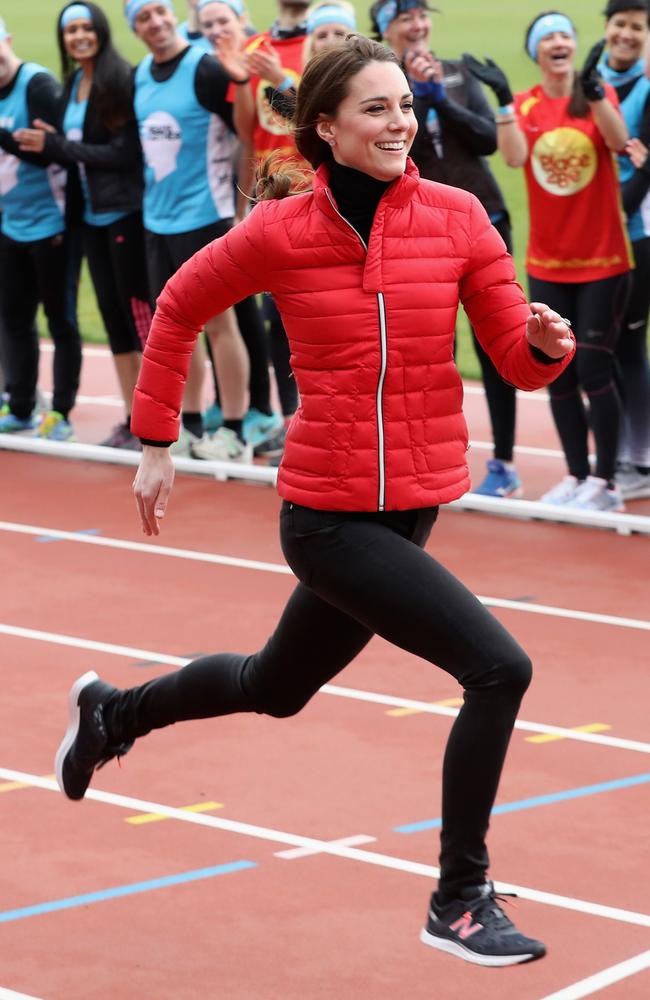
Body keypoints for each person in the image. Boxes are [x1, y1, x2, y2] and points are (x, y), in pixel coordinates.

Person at [56, 36, 575, 967]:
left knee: (275, 687)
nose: (400, 123)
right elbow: (175, 308)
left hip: (411, 506)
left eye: (405, 106)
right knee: (501, 670)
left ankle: (112, 713)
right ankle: (459, 899)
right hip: (329, 519)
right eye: (375, 109)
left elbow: (512, 358)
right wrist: (157, 442)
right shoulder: (281, 231)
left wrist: (544, 342)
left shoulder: (459, 219)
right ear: (326, 128)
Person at [467, 12, 632, 510]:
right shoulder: (526, 105)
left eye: (565, 35)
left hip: (604, 260)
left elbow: (619, 142)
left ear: (574, 46)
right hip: (547, 262)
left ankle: (606, 484)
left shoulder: (596, 97)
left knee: (594, 370)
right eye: (547, 38)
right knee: (554, 366)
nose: (558, 43)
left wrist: (597, 93)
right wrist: (501, 102)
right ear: (536, 51)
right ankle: (576, 475)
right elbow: (514, 156)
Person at [370, 0, 523, 500]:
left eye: (422, 17)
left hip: (484, 220)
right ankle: (429, 460)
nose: (417, 27)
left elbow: (485, 141)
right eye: (404, 19)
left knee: (495, 340)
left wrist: (440, 100)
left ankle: (502, 463)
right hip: (418, 230)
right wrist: (410, 100)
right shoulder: (376, 88)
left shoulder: (456, 73)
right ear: (384, 29)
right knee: (429, 348)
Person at [15, 2, 151, 451]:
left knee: (137, 318)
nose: (79, 37)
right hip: (89, 219)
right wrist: (45, 146)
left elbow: (125, 154)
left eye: (85, 28)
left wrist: (57, 146)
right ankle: (133, 417)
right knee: (112, 316)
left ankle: (155, 418)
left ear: (101, 32)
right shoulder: (73, 83)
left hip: (124, 214)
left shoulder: (118, 79)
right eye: (70, 30)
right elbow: (64, 151)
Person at [126, 0, 251, 461]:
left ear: (174, 15)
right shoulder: (139, 74)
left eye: (161, 11)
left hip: (206, 216)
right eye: (144, 17)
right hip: (157, 220)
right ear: (135, 27)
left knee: (220, 323)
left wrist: (242, 206)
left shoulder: (205, 69)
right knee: (178, 326)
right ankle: (193, 421)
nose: (155, 22)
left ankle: (235, 428)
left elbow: (247, 134)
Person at [195, 0, 285, 456]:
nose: (215, 30)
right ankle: (242, 406)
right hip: (247, 194)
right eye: (206, 23)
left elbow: (250, 134)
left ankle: (264, 409)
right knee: (232, 307)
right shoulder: (214, 64)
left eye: (222, 21)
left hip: (271, 193)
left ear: (241, 19)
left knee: (257, 312)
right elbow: (242, 135)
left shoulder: (258, 54)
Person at [0, 17, 82, 440]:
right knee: (13, 317)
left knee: (60, 318)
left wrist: (5, 136)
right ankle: (21, 404)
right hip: (11, 223)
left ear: (7, 40)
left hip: (53, 223)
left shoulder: (38, 85)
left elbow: (57, 154)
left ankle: (62, 412)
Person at [597, 0, 650, 501]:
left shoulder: (648, 88)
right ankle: (618, 451)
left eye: (638, 27)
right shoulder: (590, 79)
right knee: (600, 346)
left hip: (635, 235)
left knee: (628, 346)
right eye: (620, 24)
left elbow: (644, 171)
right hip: (589, 236)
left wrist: (609, 217)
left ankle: (641, 458)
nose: (627, 34)